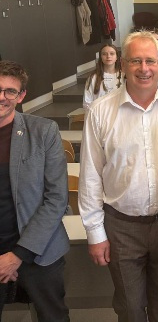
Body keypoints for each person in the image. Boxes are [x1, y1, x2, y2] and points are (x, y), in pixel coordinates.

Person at [79, 31, 158, 322]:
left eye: (150, 61)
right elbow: (90, 175)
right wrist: (95, 233)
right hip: (121, 226)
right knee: (130, 308)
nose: (144, 69)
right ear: (122, 64)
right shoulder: (100, 111)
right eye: (135, 61)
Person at [0, 61, 70, 321]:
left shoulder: (43, 131)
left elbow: (57, 199)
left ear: (21, 96)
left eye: (10, 91)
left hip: (39, 249)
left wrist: (19, 254)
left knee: (53, 316)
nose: (2, 97)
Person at [83, 42, 123, 109]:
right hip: (98, 113)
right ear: (101, 57)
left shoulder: (124, 76)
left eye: (112, 53)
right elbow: (87, 102)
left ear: (117, 57)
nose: (108, 56)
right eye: (104, 54)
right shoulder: (93, 77)